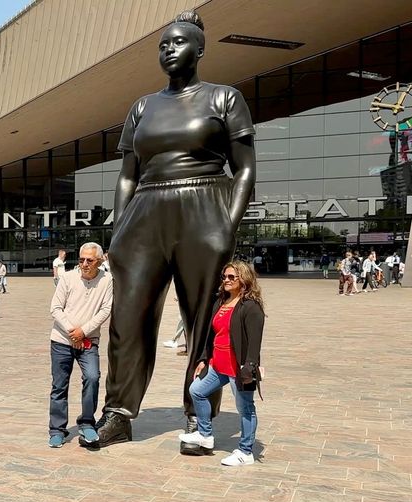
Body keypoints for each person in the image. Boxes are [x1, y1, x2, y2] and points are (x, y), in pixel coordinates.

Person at [98, 10, 257, 455]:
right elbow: (127, 175)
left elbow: (244, 169)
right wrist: (119, 228)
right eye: (163, 43)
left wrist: (228, 223)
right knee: (127, 318)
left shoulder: (225, 98)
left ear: (200, 48)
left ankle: (198, 417)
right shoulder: (142, 107)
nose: (168, 48)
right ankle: (119, 414)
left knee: (204, 320)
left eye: (178, 41)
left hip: (204, 204)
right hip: (145, 210)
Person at [179, 261, 265, 466]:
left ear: (243, 280)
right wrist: (203, 359)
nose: (226, 280)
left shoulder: (251, 307)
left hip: (238, 368)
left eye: (231, 277)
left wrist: (250, 366)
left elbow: (255, 342)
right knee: (197, 391)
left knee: (245, 408)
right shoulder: (221, 303)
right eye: (224, 277)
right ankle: (205, 435)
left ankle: (246, 452)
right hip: (218, 365)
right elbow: (213, 335)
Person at [48, 243, 113, 448]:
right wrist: (72, 331)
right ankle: (57, 429)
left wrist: (83, 332)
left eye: (90, 260)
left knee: (92, 377)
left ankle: (86, 422)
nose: (84, 264)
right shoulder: (67, 278)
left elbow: (105, 310)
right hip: (62, 340)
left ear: (100, 261)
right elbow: (55, 308)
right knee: (59, 385)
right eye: (81, 259)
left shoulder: (107, 280)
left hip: (88, 341)